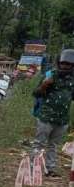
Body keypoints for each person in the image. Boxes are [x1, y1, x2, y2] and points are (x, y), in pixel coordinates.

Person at [31, 49, 74, 177]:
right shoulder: (50, 75)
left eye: (68, 64)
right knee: (39, 143)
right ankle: (33, 169)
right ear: (59, 63)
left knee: (53, 145)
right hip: (46, 117)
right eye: (63, 63)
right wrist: (44, 85)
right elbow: (35, 93)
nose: (64, 66)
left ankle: (50, 169)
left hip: (62, 119)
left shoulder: (73, 80)